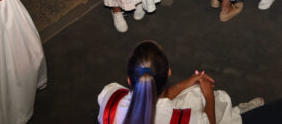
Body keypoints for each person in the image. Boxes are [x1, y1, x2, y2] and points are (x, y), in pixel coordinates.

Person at [97, 40, 253, 124]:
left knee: (193, 93)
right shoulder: (183, 120)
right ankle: (234, 115)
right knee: (203, 96)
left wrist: (188, 82)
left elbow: (150, 98)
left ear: (129, 80)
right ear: (169, 73)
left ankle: (232, 113)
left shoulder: (110, 95)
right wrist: (209, 95)